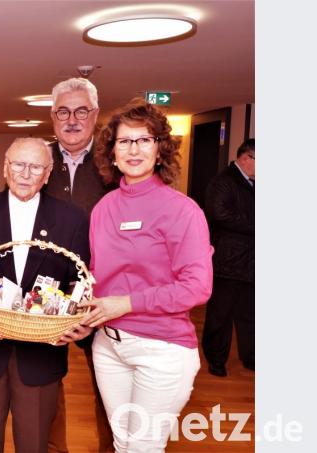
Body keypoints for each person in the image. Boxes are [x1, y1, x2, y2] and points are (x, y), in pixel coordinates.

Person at [78, 100, 213, 452]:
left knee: (142, 447)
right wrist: (76, 311)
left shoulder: (182, 210)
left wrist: (127, 302)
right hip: (108, 346)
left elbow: (197, 287)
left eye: (144, 140)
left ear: (160, 149)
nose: (133, 149)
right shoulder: (104, 208)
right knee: (123, 442)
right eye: (124, 141)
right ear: (112, 151)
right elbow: (98, 274)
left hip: (161, 349)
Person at [0, 137, 92, 452]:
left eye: (35, 166)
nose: (25, 173)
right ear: (6, 168)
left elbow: (79, 284)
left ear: (48, 173)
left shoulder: (72, 219)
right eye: (18, 164)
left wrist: (74, 319)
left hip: (41, 356)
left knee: (35, 444)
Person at [42, 77, 116, 452]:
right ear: (52, 116)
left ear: (95, 115)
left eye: (81, 111)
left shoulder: (114, 161)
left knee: (108, 384)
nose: (72, 120)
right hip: (45, 293)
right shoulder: (38, 162)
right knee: (45, 384)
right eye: (63, 112)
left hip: (103, 294)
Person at [202, 138, 255, 376]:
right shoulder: (223, 181)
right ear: (247, 158)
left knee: (249, 313)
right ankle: (215, 358)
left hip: (251, 262)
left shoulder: (254, 183)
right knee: (220, 314)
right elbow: (220, 214)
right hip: (227, 261)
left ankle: (250, 356)